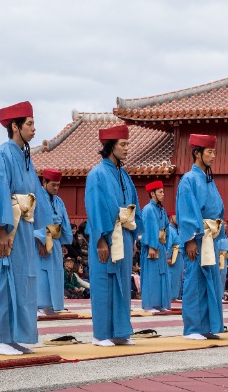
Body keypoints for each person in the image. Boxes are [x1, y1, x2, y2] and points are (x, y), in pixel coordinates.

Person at [0, 102, 51, 355]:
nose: (34, 129)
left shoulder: (25, 157)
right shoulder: (1, 154)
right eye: (30, 123)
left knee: (21, 281)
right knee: (4, 278)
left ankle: (12, 337)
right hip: (9, 227)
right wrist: (0, 230)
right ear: (15, 126)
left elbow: (35, 194)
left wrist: (44, 227)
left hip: (24, 227)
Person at [85, 123, 139, 347]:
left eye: (127, 144)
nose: (127, 148)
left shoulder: (124, 174)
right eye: (123, 144)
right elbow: (95, 207)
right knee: (104, 283)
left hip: (124, 234)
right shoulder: (97, 174)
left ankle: (119, 332)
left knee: (122, 285)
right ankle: (101, 334)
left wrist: (134, 238)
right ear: (110, 146)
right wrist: (100, 239)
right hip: (106, 236)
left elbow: (133, 205)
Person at [176, 134, 226, 340]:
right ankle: (192, 328)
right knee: (195, 281)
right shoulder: (188, 179)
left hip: (210, 237)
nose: (213, 156)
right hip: (197, 238)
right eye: (210, 152)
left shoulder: (208, 178)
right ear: (197, 153)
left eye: (214, 152)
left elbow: (217, 208)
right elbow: (186, 210)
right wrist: (189, 239)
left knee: (210, 281)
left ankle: (207, 326)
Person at [35, 168, 73, 315]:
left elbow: (64, 222)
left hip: (55, 242)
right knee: (41, 274)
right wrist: (40, 241)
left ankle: (49, 306)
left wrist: (63, 241)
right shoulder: (36, 198)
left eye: (58, 185)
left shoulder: (59, 201)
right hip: (40, 242)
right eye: (53, 185)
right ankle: (39, 305)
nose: (56, 188)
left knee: (56, 273)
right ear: (44, 182)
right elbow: (32, 222)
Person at [139, 180, 171, 313]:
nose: (163, 194)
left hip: (161, 246)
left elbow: (166, 228)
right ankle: (149, 304)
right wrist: (152, 245)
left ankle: (160, 304)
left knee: (162, 275)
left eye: (163, 191)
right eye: (160, 192)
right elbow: (148, 228)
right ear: (152, 194)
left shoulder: (161, 210)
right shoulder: (148, 209)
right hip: (152, 247)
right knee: (151, 275)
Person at [167, 214, 183, 301]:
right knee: (171, 275)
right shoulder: (169, 229)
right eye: (175, 216)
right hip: (173, 254)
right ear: (171, 217)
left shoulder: (178, 229)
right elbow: (168, 244)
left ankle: (176, 295)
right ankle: (170, 296)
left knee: (178, 276)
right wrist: (168, 256)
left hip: (180, 254)